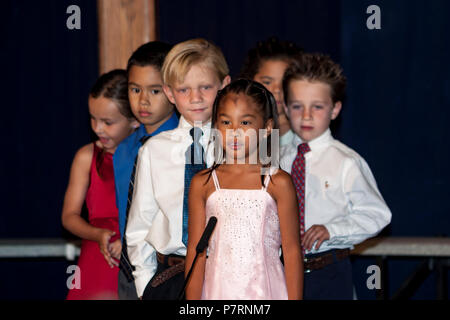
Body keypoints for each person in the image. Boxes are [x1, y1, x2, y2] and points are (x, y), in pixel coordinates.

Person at [280, 53, 392, 300]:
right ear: (286, 107)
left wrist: (332, 230)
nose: (306, 115)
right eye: (297, 106)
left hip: (328, 271)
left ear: (335, 109)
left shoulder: (346, 162)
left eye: (317, 106)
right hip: (281, 270)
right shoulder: (276, 160)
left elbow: (377, 215)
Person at [126, 38, 231, 300]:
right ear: (170, 93)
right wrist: (145, 286)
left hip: (228, 275)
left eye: (205, 87)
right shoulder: (154, 150)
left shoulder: (241, 146)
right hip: (169, 277)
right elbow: (140, 225)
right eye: (184, 90)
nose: (195, 98)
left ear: (224, 86)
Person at [185, 79, 303, 300]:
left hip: (267, 292)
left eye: (245, 123)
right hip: (217, 292)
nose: (235, 132)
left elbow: (292, 251)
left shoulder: (278, 183)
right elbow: (195, 251)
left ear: (267, 128)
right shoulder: (203, 183)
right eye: (226, 122)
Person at [62, 70, 140, 300]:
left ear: (135, 120)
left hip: (137, 259)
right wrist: (97, 234)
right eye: (93, 119)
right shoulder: (86, 157)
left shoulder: (147, 156)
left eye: (107, 122)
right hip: (97, 259)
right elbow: (69, 216)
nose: (97, 128)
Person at [113, 41, 179, 300]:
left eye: (154, 91)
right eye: (135, 89)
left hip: (168, 268)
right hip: (128, 269)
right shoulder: (125, 149)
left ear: (172, 91)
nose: (143, 100)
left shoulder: (184, 147)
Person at [240, 37, 303, 146]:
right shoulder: (238, 131)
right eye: (267, 82)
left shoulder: (306, 134)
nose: (277, 90)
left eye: (284, 82)